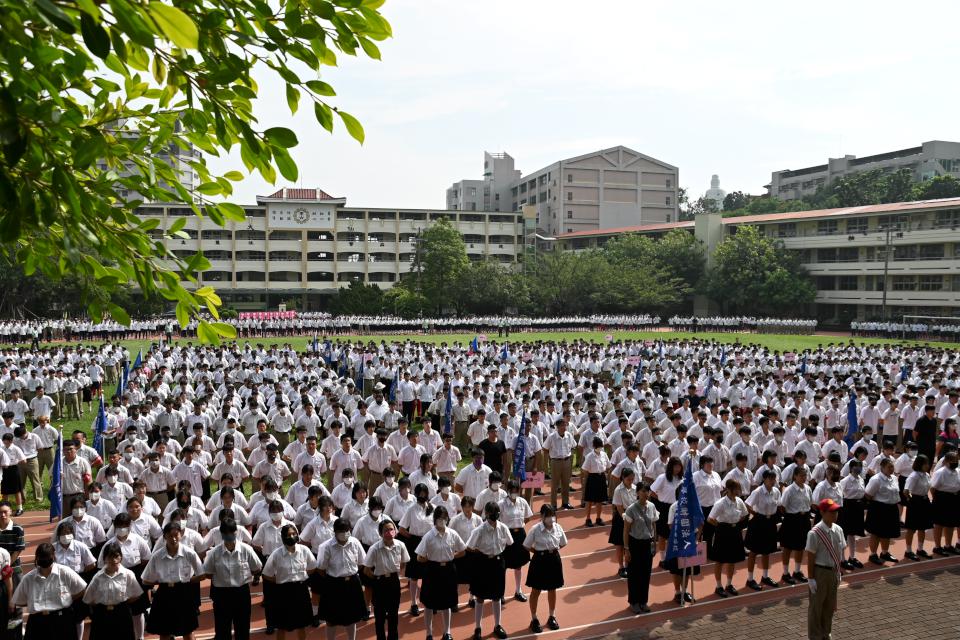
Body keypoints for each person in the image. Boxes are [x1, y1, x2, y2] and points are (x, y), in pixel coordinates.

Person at [201, 518, 262, 640]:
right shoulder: (214, 553)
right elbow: (207, 573)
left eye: (232, 532)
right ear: (222, 535)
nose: (229, 535)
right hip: (221, 595)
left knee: (243, 628)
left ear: (236, 532)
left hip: (241, 593)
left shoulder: (246, 550)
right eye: (226, 533)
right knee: (222, 629)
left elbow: (257, 568)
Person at [141, 522, 203, 640]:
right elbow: (145, 580)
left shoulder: (189, 553)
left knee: (187, 631)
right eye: (170, 536)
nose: (173, 538)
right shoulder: (157, 556)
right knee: (164, 632)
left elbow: (202, 574)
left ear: (181, 535)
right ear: (164, 537)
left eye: (176, 535)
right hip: (164, 594)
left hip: (184, 592)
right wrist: (160, 581)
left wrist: (188, 580)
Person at [12, 543, 86, 640]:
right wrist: (33, 602)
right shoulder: (28, 578)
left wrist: (69, 598)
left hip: (62, 620)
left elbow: (82, 588)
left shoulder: (65, 572)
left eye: (47, 556)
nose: (44, 559)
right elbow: (18, 601)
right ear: (37, 558)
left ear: (53, 555)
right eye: (41, 557)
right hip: (38, 622)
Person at [415, 506, 465, 640]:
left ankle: (447, 632)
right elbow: (419, 556)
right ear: (435, 520)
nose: (442, 521)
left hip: (448, 570)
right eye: (439, 518)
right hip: (433, 571)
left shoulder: (453, 534)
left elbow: (463, 550)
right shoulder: (429, 536)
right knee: (429, 604)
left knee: (447, 602)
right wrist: (428, 559)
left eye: (444, 518)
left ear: (447, 519)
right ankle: (429, 633)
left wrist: (452, 557)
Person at [466, 501, 512, 640]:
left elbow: (509, 543)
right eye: (492, 513)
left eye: (496, 513)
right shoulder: (479, 530)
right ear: (486, 514)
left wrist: (499, 551)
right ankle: (478, 628)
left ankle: (497, 625)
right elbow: (469, 547)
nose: (494, 516)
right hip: (482, 563)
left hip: (498, 563)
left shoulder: (503, 528)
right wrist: (480, 553)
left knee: (497, 595)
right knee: (480, 596)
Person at [262, 523, 317, 640]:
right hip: (283, 592)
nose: (291, 536)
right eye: (288, 535)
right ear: (283, 538)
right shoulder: (276, 554)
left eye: (294, 534)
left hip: (300, 590)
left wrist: (304, 575)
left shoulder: (304, 550)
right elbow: (266, 574)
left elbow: (313, 566)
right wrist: (278, 580)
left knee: (301, 625)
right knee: (282, 626)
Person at [316, 518, 367, 640]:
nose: (344, 533)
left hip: (352, 583)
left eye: (346, 530)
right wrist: (336, 577)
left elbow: (361, 562)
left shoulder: (355, 542)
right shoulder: (326, 546)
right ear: (335, 532)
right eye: (341, 531)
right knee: (331, 619)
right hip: (333, 585)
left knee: (352, 618)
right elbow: (321, 568)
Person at [82, 542, 144, 640]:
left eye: (116, 556)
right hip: (102, 615)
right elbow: (88, 598)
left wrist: (123, 603)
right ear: (104, 559)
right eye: (110, 557)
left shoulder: (128, 574)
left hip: (122, 614)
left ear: (121, 557)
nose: (114, 560)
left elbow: (137, 593)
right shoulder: (98, 577)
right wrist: (102, 605)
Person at [805, 498, 846, 640]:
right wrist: (811, 578)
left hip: (833, 571)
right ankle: (815, 636)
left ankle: (826, 633)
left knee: (829, 607)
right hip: (819, 572)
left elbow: (840, 553)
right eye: (832, 512)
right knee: (816, 607)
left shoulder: (838, 530)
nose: (835, 514)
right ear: (822, 512)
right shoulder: (814, 533)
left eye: (836, 511)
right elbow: (810, 558)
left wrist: (839, 572)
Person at [523, 504, 567, 633]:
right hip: (539, 561)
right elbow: (526, 545)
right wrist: (537, 551)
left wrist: (553, 550)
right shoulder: (535, 529)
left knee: (552, 589)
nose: (550, 518)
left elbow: (563, 543)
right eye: (547, 515)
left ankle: (552, 616)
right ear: (542, 516)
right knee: (536, 590)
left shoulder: (558, 527)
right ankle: (534, 618)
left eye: (552, 515)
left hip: (553, 560)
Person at [363, 519, 409, 640]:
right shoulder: (374, 548)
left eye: (391, 529)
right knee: (380, 617)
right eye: (386, 530)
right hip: (379, 583)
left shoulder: (400, 545)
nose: (389, 532)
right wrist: (377, 579)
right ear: (380, 533)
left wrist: (395, 572)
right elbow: (366, 570)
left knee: (393, 615)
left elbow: (404, 562)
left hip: (394, 582)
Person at [707, 478, 748, 597]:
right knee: (720, 560)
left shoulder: (739, 501)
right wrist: (721, 526)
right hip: (723, 532)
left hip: (735, 531)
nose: (739, 490)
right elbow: (710, 519)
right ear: (729, 490)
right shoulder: (720, 503)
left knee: (732, 559)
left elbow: (744, 515)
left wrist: (735, 524)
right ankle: (719, 586)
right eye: (736, 488)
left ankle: (729, 584)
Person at [622, 481, 658, 614]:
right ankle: (634, 602)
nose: (645, 494)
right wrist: (626, 549)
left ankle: (643, 601)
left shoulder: (652, 506)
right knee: (634, 574)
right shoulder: (631, 509)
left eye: (647, 491)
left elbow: (654, 524)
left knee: (645, 574)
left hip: (647, 544)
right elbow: (626, 530)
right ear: (637, 493)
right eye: (643, 491)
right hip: (635, 544)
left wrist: (655, 541)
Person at [397, 482, 433, 616]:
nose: (422, 496)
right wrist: (412, 538)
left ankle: (428, 601)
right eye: (420, 493)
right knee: (414, 576)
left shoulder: (432, 508)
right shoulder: (411, 509)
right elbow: (401, 529)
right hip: (416, 544)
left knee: (428, 575)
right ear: (416, 494)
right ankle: (413, 603)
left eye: (425, 493)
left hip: (429, 543)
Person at [744, 469, 781, 590]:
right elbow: (747, 504)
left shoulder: (776, 491)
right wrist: (755, 513)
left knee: (767, 550)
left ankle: (765, 576)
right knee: (754, 552)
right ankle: (750, 579)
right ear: (764, 479)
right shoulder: (758, 491)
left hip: (770, 522)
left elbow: (778, 504)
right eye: (770, 479)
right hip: (758, 522)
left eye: (774, 478)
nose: (772, 481)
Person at [499, 479, 532, 602]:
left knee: (518, 565)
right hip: (506, 535)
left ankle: (518, 591)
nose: (514, 493)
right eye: (511, 491)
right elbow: (496, 520)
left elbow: (528, 516)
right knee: (504, 565)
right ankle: (500, 593)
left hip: (520, 535)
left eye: (516, 491)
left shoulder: (522, 502)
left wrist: (521, 524)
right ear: (507, 491)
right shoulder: (501, 504)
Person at [779, 465, 813, 585]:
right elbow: (782, 506)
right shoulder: (789, 490)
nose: (804, 477)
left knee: (801, 546)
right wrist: (792, 515)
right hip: (792, 519)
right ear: (795, 476)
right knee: (788, 547)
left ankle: (797, 571)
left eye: (805, 475)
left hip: (804, 520)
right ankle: (785, 573)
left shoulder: (808, 488)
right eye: (802, 475)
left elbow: (810, 502)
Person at [864, 457, 901, 565]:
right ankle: (873, 554)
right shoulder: (876, 479)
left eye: (892, 466)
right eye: (889, 467)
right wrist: (878, 503)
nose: (891, 469)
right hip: (879, 509)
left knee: (887, 532)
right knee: (876, 533)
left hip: (891, 508)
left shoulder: (894, 478)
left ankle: (884, 553)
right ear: (882, 468)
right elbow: (868, 494)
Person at [903, 454, 933, 561]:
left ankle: (920, 549)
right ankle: (908, 551)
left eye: (928, 463)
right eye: (925, 464)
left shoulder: (927, 475)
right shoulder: (914, 476)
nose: (927, 466)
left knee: (922, 527)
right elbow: (906, 491)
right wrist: (911, 500)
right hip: (915, 502)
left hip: (924, 501)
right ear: (920, 464)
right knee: (911, 528)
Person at [838, 459, 866, 569]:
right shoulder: (845, 481)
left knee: (853, 534)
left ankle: (852, 557)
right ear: (851, 468)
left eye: (860, 466)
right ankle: (842, 559)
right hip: (847, 506)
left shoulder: (861, 480)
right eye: (856, 466)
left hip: (858, 507)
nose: (858, 468)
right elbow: (840, 495)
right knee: (844, 534)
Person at [931, 451, 960, 555]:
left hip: (954, 499)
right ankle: (937, 546)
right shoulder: (940, 472)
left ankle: (948, 545)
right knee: (939, 524)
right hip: (941, 499)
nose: (955, 463)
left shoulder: (958, 471)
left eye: (956, 461)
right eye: (953, 461)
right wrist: (936, 499)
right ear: (947, 461)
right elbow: (933, 488)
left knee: (950, 524)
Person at [609, 467, 635, 578]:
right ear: (623, 478)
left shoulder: (635, 488)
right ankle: (621, 567)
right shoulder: (618, 490)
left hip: (633, 517)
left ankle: (628, 564)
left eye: (632, 479)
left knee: (629, 544)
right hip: (621, 518)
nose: (631, 481)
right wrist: (625, 519)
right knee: (620, 544)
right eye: (629, 479)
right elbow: (619, 507)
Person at [581, 436, 609, 527]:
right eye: (598, 446)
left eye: (601, 446)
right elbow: (584, 469)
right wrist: (589, 478)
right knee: (589, 500)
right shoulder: (589, 456)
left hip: (601, 477)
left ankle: (598, 518)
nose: (599, 448)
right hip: (592, 478)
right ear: (593, 446)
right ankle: (588, 518)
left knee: (600, 500)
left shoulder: (604, 454)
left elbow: (608, 466)